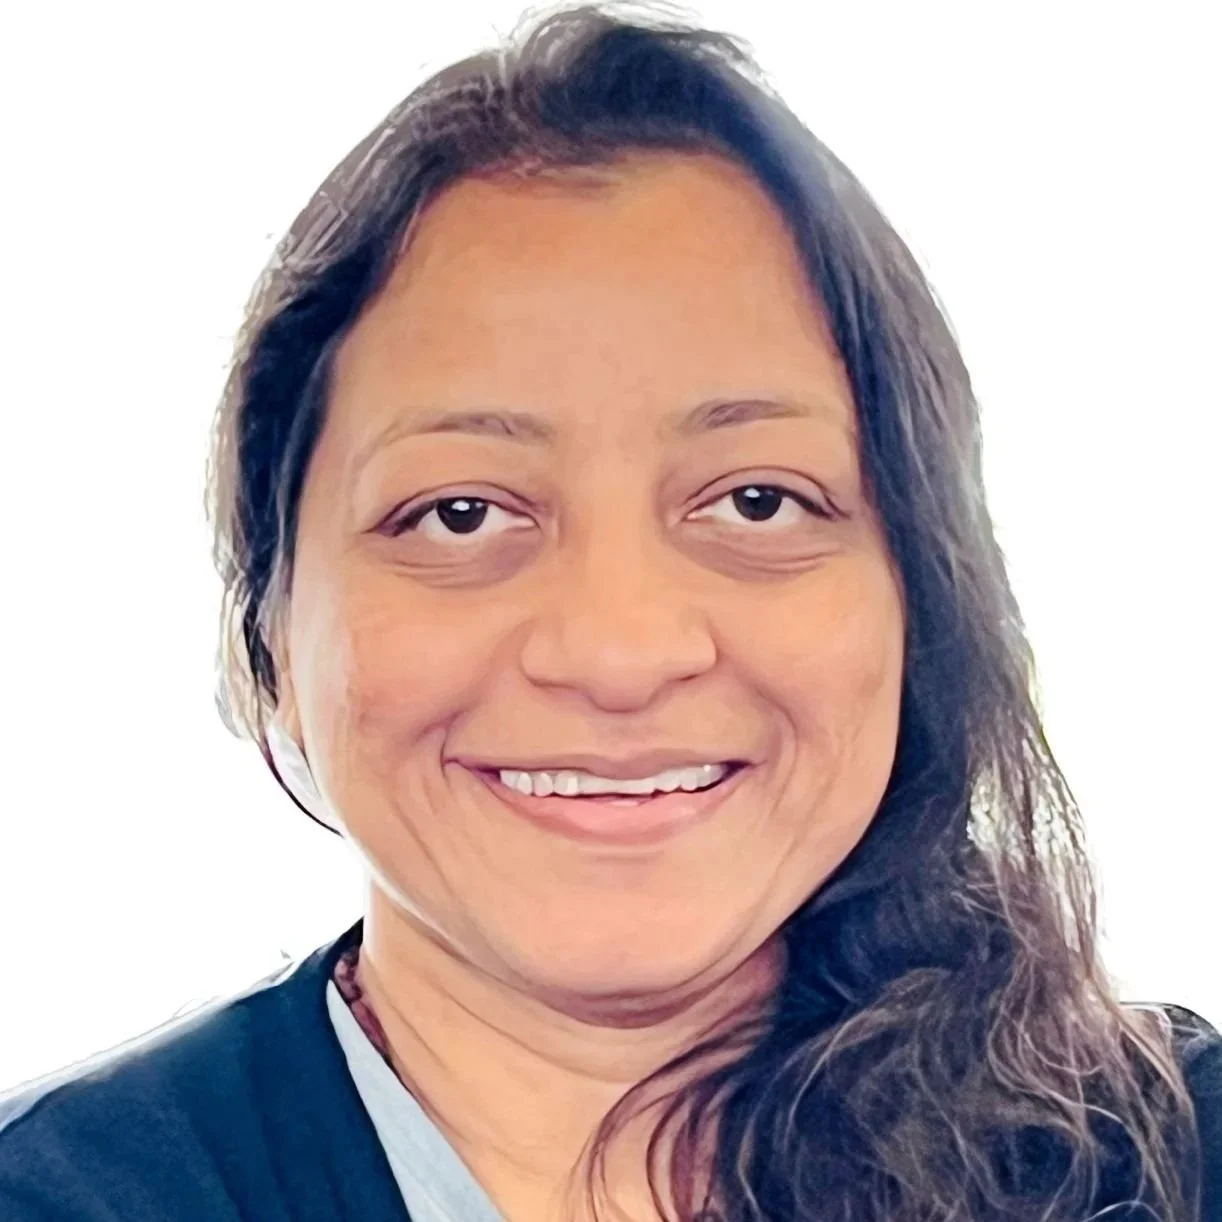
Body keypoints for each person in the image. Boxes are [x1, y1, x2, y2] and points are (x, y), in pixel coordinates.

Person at [2, 3, 1218, 1219]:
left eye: (754, 500)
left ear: (924, 593)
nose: (621, 651)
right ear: (268, 639)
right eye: (462, 514)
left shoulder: (1171, 1160)